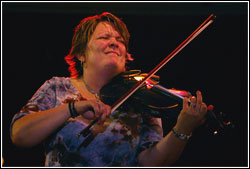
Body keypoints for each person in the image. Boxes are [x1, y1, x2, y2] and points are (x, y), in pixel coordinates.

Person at [10, 12, 209, 166]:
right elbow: (20, 135)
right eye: (104, 37)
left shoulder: (140, 96)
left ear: (127, 56)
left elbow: (150, 162)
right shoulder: (57, 87)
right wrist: (73, 108)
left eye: (120, 40)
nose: (114, 42)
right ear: (81, 54)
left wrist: (183, 129)